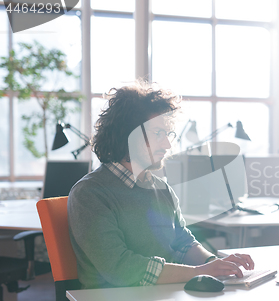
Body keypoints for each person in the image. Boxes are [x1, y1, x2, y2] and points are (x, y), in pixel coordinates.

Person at [68, 81, 254, 289]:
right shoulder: (89, 194)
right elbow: (120, 268)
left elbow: (183, 242)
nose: (167, 144)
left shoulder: (162, 189)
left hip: (163, 299)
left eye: (168, 134)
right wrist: (199, 272)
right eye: (157, 134)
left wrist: (215, 264)